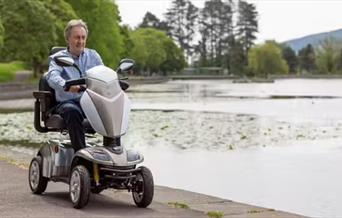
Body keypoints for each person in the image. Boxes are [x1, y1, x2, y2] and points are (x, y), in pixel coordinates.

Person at [47, 19, 103, 151]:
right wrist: (67, 86)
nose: (81, 41)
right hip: (67, 103)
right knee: (72, 111)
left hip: (90, 101)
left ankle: (114, 152)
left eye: (83, 37)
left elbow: (103, 74)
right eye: (77, 37)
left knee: (114, 108)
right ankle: (80, 154)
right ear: (68, 39)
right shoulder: (58, 58)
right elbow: (52, 77)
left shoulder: (93, 56)